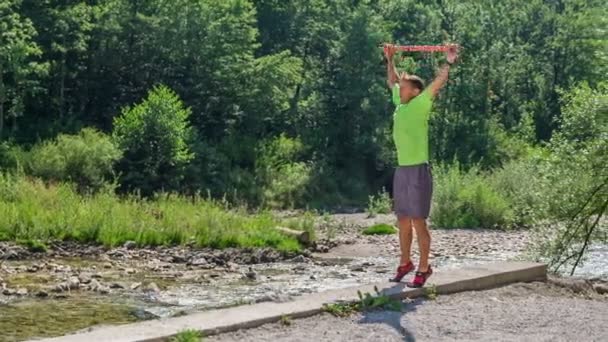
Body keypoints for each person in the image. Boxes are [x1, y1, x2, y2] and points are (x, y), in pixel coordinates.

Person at [383, 43, 459, 288]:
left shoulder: (421, 103)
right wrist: (390, 58)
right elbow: (391, 80)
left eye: (403, 87)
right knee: (403, 220)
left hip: (418, 170)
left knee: (418, 221)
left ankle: (424, 268)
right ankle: (405, 263)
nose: (399, 87)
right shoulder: (400, 104)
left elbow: (438, 82)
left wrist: (448, 61)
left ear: (414, 91)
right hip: (402, 170)